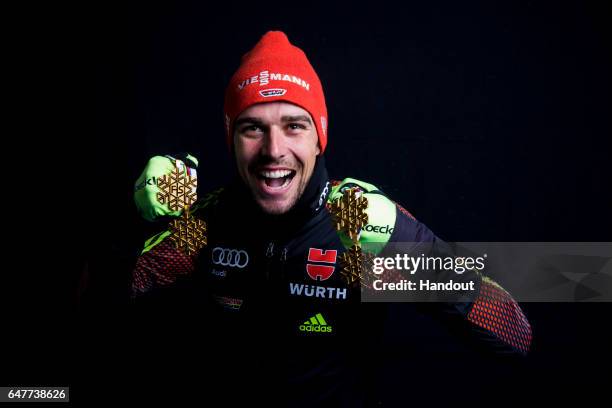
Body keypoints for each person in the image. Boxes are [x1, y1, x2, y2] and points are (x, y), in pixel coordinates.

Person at [131, 31, 532, 406]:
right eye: (253, 128)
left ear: (318, 137)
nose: (274, 150)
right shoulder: (204, 223)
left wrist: (406, 243)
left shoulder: (355, 220)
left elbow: (513, 334)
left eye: (294, 126)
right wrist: (139, 219)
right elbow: (101, 310)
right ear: (231, 138)